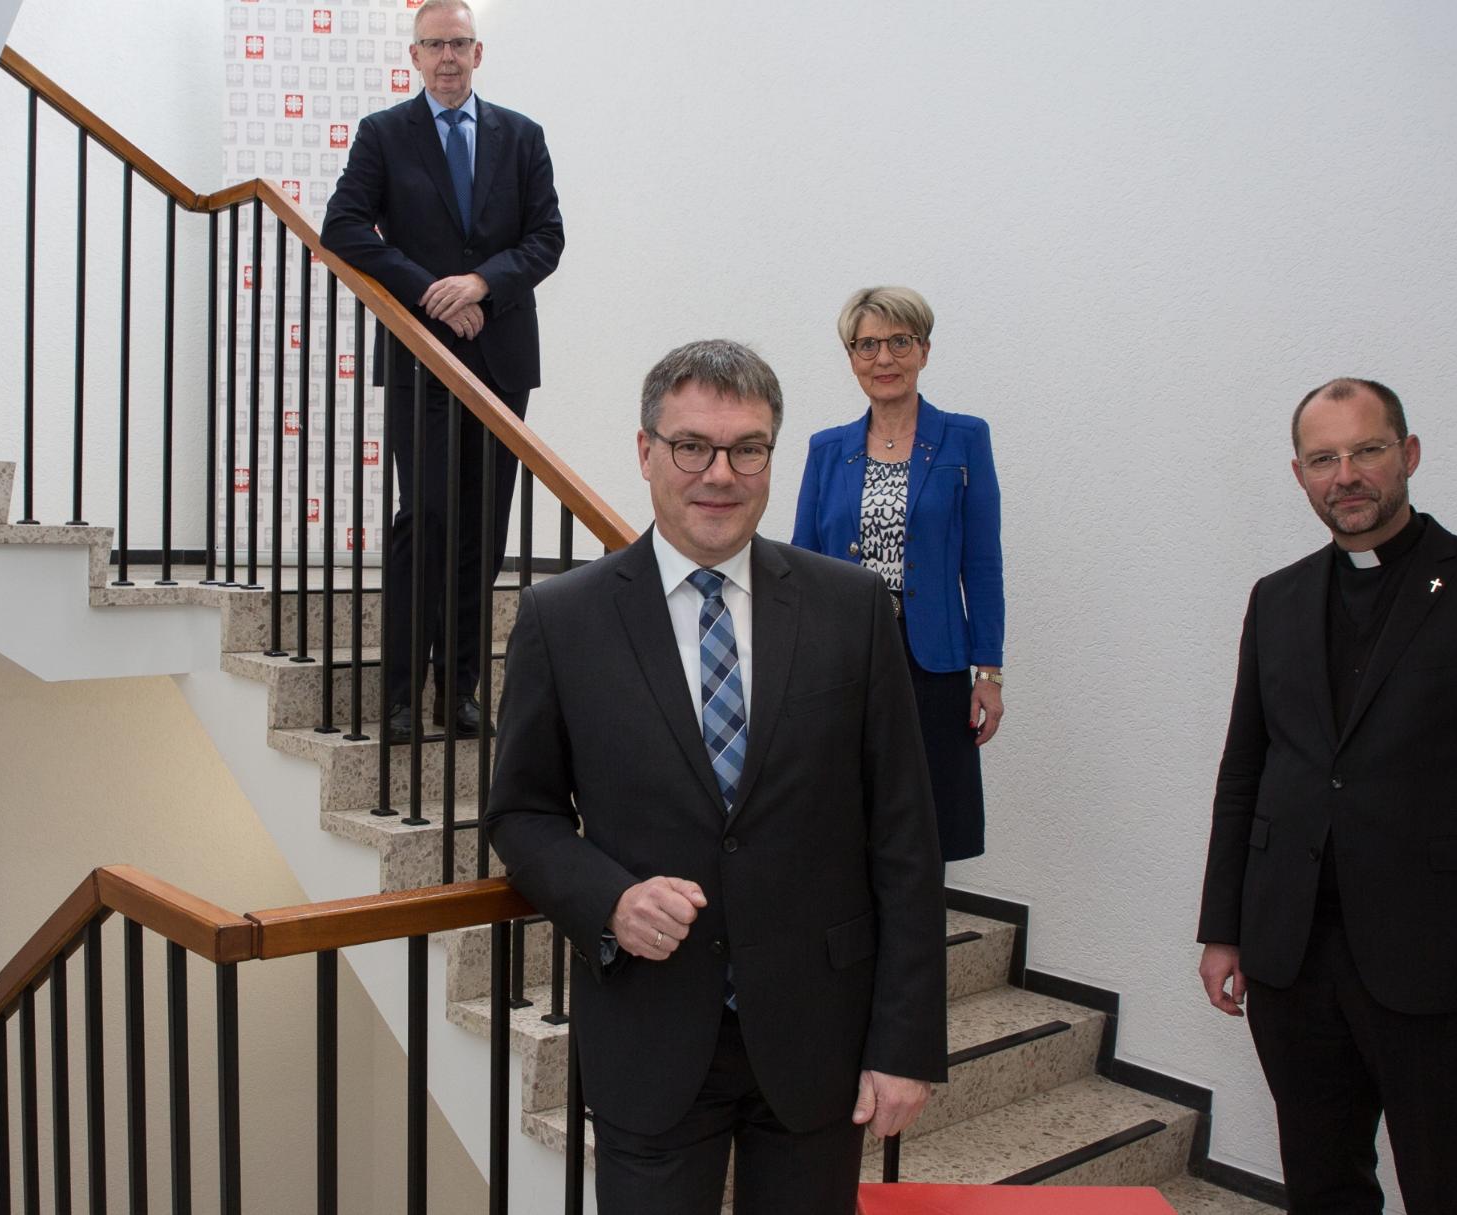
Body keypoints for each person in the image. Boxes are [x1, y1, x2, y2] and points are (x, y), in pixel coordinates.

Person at [488, 340, 949, 1213]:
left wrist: (907, 1040)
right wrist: (610, 900)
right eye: (692, 445)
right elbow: (521, 813)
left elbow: (904, 834)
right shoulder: (564, 617)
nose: (720, 474)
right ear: (646, 452)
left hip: (821, 1038)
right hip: (650, 1036)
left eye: (747, 448)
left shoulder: (851, 608)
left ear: (773, 456)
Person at [1195, 379, 1457, 1214]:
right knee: (1322, 1185)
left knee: (1448, 1192)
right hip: (1292, 957)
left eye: (1367, 450)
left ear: (1407, 455)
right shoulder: (1277, 598)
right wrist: (1222, 927)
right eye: (1324, 458)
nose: (1347, 475)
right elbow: (1244, 771)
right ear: (1299, 474)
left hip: (1439, 967)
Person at [320, 0, 565, 740]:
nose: (449, 57)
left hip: (500, 359)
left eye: (460, 43)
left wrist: (482, 283)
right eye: (435, 45)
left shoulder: (522, 137)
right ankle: (399, 695)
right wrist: (432, 290)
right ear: (415, 55)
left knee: (481, 534)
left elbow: (546, 238)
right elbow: (342, 226)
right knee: (422, 524)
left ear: (478, 53)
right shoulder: (383, 135)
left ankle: (457, 693)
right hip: (422, 360)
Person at [792, 286, 1004, 863]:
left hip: (930, 660)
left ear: (924, 351)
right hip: (845, 658)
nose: (883, 359)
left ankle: (915, 946)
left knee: (929, 815)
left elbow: (982, 564)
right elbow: (801, 563)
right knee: (845, 808)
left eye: (899, 342)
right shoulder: (826, 449)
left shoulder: (965, 438)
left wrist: (990, 672)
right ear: (852, 358)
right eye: (867, 345)